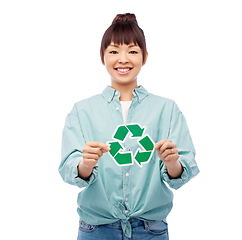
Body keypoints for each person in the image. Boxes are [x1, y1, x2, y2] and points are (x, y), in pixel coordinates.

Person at [59, 13, 200, 240]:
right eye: (114, 51)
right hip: (97, 230)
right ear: (102, 56)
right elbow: (69, 168)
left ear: (145, 57)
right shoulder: (81, 110)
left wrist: (173, 162)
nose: (123, 59)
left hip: (150, 230)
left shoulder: (167, 109)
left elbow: (183, 169)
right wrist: (85, 164)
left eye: (132, 51)